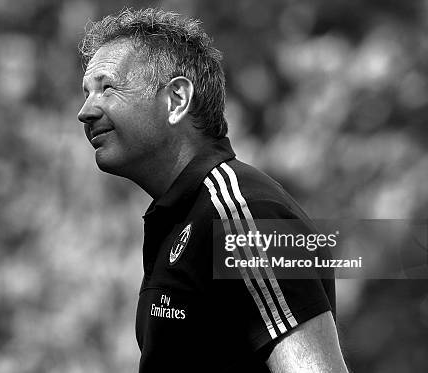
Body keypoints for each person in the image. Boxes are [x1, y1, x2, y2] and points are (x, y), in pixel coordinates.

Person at [77, 8, 349, 373]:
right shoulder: (182, 219)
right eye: (87, 93)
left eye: (107, 87)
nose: (85, 111)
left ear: (176, 100)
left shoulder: (241, 214)